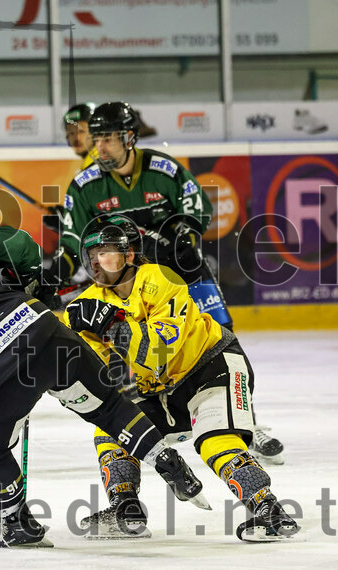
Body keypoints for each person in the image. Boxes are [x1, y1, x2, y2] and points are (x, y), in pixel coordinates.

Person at [0, 221, 209, 548]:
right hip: (42, 329)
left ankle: (14, 522)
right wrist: (29, 283)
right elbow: (21, 244)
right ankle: (167, 460)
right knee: (108, 405)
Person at [46, 101, 285, 462]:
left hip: (182, 272)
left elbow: (198, 209)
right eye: (97, 139)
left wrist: (182, 232)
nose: (101, 147)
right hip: (136, 285)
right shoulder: (85, 186)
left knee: (221, 339)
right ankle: (167, 412)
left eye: (109, 138)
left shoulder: (164, 169)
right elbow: (70, 242)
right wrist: (55, 272)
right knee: (142, 347)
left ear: (129, 137)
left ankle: (244, 418)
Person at [64, 216, 299, 541]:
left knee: (216, 440)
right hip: (160, 388)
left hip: (211, 366)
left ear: (129, 255)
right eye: (90, 254)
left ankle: (270, 511)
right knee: (112, 430)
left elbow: (160, 351)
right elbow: (100, 371)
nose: (94, 261)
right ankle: (126, 509)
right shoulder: (89, 302)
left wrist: (111, 324)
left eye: (104, 252)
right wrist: (46, 334)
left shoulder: (161, 279)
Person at [63, 102, 96, 167]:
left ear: (95, 133)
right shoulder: (89, 164)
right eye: (71, 133)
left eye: (82, 131)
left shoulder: (99, 165)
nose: (77, 137)